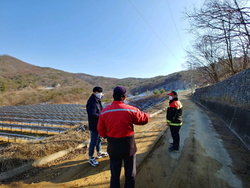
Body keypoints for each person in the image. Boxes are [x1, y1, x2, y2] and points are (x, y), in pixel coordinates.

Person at [97, 86, 150, 188]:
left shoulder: (104, 112)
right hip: (128, 147)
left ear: (113, 96)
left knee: (115, 174)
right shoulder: (131, 110)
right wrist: (147, 114)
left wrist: (107, 137)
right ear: (124, 97)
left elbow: (101, 130)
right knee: (130, 174)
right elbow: (144, 119)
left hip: (113, 146)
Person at [86, 86, 108, 167]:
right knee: (93, 141)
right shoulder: (92, 102)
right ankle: (91, 157)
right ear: (94, 92)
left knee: (99, 139)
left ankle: (99, 152)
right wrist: (102, 115)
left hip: (99, 124)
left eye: (101, 92)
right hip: (94, 125)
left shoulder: (97, 100)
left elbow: (100, 110)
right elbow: (92, 115)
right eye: (99, 92)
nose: (100, 94)